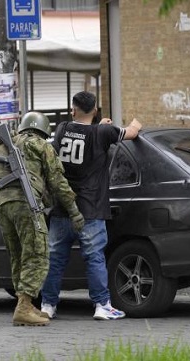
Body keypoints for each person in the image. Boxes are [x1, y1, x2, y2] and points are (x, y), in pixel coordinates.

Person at [41, 91, 142, 320]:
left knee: (55, 259)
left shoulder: (63, 128)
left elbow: (78, 137)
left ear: (73, 110)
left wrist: (100, 127)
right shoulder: (103, 132)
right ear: (95, 111)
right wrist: (136, 121)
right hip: (91, 210)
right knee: (94, 257)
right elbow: (132, 132)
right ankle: (101, 306)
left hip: (62, 209)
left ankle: (48, 305)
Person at [0, 111, 85, 327]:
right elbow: (58, 181)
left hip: (2, 206)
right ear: (43, 130)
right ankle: (23, 307)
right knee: (38, 254)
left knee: (19, 255)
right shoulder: (41, 145)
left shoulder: (4, 143)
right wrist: (74, 211)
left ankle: (25, 305)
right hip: (25, 205)